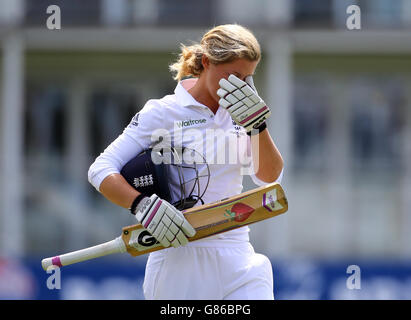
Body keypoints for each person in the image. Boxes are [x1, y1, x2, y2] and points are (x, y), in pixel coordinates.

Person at [88, 24, 284, 300]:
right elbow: (101, 169)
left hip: (239, 256)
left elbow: (269, 178)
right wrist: (141, 205)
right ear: (206, 62)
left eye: (247, 78)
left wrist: (258, 127)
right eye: (233, 76)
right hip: (178, 260)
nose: (240, 86)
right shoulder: (163, 112)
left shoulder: (243, 114)